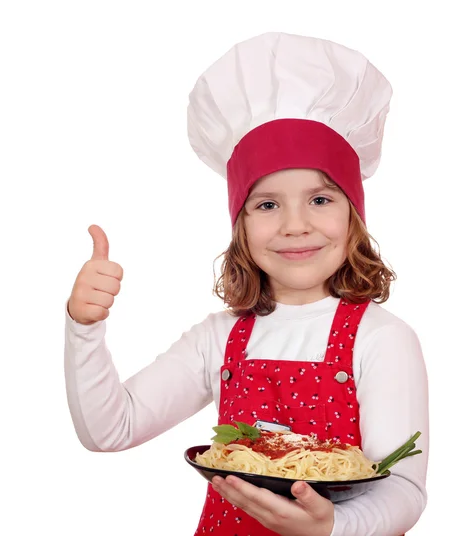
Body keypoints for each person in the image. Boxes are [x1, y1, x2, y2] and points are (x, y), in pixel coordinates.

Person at [64, 31, 429, 536]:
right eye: (267, 204)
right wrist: (85, 327)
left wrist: (332, 528)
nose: (295, 224)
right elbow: (111, 430)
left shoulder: (382, 338)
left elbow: (402, 489)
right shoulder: (218, 337)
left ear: (353, 218)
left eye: (321, 199)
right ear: (240, 224)